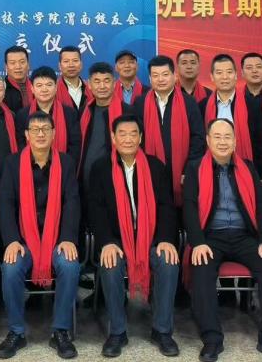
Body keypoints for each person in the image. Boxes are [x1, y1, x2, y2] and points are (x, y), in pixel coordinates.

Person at [183, 119, 262, 362]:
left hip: (244, 236)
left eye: (227, 137)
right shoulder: (194, 168)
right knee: (202, 268)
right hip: (211, 237)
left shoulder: (247, 167)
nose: (223, 141)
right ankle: (212, 339)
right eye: (217, 136)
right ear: (208, 140)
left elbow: (261, 205)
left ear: (235, 141)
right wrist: (197, 242)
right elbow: (189, 207)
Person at [89, 115, 179, 358]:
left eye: (133, 134)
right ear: (113, 137)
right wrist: (107, 242)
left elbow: (167, 207)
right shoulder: (100, 168)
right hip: (117, 239)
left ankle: (162, 330)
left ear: (141, 137)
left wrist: (165, 239)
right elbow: (96, 210)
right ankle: (117, 332)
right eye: (122, 134)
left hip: (151, 238)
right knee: (110, 264)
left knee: (168, 261)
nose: (128, 139)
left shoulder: (156, 166)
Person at [0, 112, 81, 360]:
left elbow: (72, 202)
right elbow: (6, 203)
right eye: (35, 129)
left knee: (69, 265)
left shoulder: (66, 163)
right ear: (26, 135)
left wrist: (67, 237)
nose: (40, 134)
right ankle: (16, 332)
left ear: (54, 134)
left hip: (57, 240)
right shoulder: (12, 163)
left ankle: (60, 331)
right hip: (23, 240)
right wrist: (12, 240)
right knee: (11, 267)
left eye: (45, 129)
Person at [140, 55, 204, 205]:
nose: (160, 79)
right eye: (155, 75)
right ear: (149, 79)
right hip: (151, 171)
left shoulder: (189, 102)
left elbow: (198, 138)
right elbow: (138, 139)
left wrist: (188, 169)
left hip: (183, 173)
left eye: (165, 74)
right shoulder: (140, 103)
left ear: (174, 76)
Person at [200, 54, 262, 171]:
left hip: (246, 166)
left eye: (229, 72)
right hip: (212, 168)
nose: (225, 77)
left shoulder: (252, 104)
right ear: (212, 77)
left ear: (236, 75)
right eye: (219, 73)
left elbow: (261, 141)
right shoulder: (203, 106)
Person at [78, 62, 132, 189]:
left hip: (115, 181)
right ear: (89, 84)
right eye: (97, 81)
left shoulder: (128, 112)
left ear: (114, 83)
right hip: (85, 182)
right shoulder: (84, 111)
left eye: (106, 81)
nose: (102, 86)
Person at [16, 67, 82, 169]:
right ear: (32, 88)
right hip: (31, 168)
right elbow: (21, 144)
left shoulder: (69, 113)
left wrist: (64, 167)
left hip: (63, 168)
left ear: (56, 87)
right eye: (39, 85)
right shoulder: (23, 115)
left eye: (49, 85)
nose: (44, 89)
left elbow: (75, 146)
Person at [240, 53, 262, 129]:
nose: (254, 71)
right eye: (249, 68)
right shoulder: (235, 99)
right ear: (242, 73)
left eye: (259, 67)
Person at [56, 46, 90, 111]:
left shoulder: (90, 88)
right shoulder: (54, 90)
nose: (71, 65)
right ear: (59, 66)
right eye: (66, 61)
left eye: (75, 61)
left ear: (81, 65)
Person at [3, 47, 33, 113]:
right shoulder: (1, 89)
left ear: (28, 65)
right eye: (12, 63)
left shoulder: (36, 86)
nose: (18, 67)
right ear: (6, 67)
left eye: (22, 62)